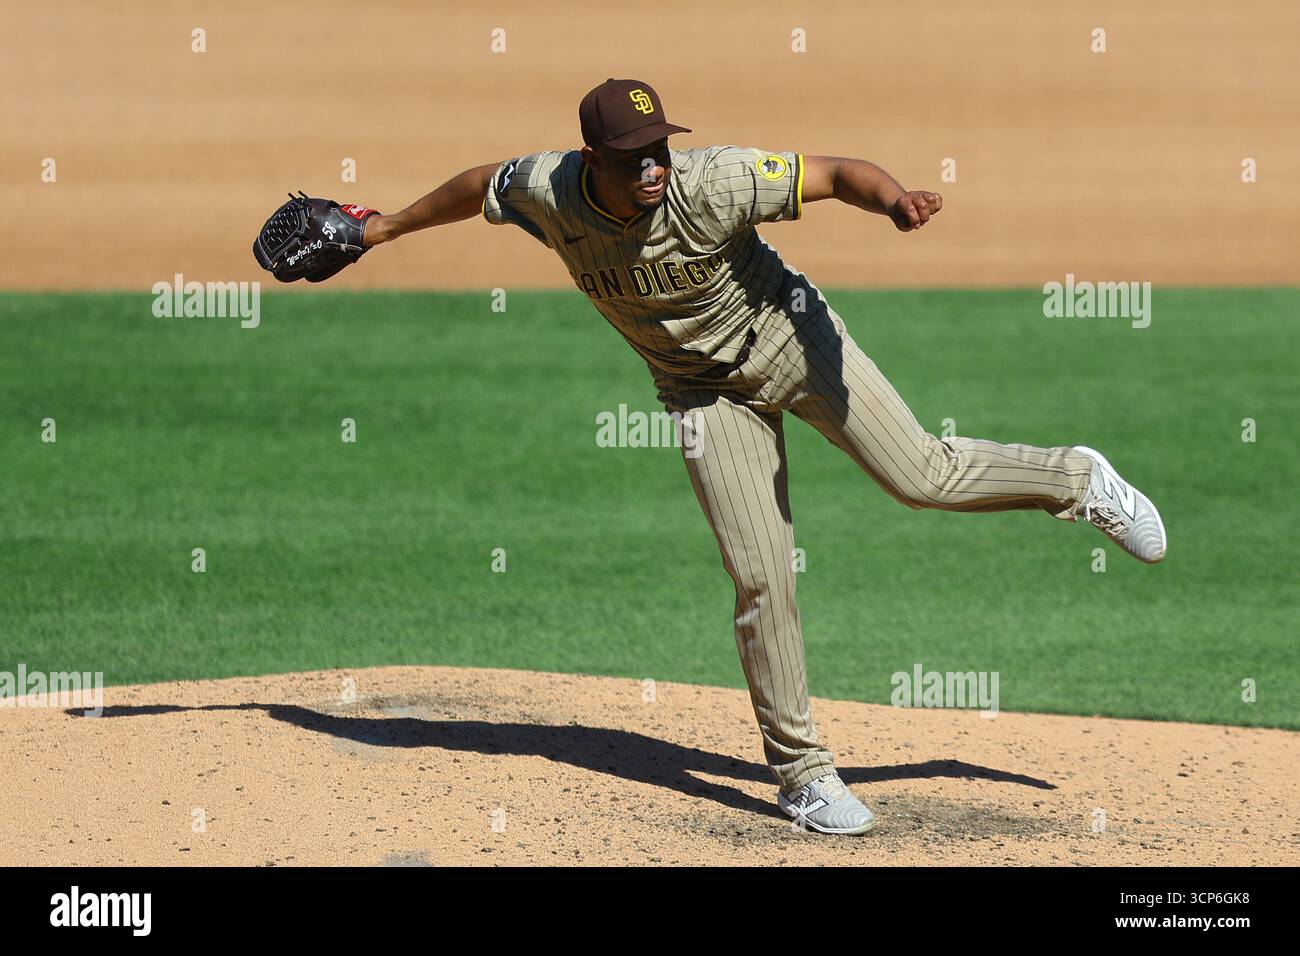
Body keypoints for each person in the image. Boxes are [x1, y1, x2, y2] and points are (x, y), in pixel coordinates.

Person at [358, 78, 1167, 835]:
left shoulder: (714, 181)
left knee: (923, 476)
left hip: (792, 338)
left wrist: (895, 201)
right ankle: (804, 774)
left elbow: (840, 172)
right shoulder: (549, 190)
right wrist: (383, 225)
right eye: (634, 154)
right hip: (702, 394)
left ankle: (1078, 480)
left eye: (659, 147)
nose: (653, 165)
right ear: (590, 160)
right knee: (760, 572)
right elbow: (479, 187)